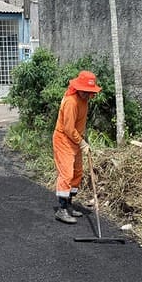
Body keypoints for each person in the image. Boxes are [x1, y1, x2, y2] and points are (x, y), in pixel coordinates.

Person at [52, 70, 102, 224]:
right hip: (63, 139)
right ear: (78, 88)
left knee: (77, 173)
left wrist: (83, 140)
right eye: (84, 91)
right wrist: (81, 142)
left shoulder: (84, 100)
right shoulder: (71, 102)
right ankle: (61, 209)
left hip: (75, 140)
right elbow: (68, 128)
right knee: (66, 174)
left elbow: (79, 124)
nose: (87, 94)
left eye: (89, 92)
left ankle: (69, 204)